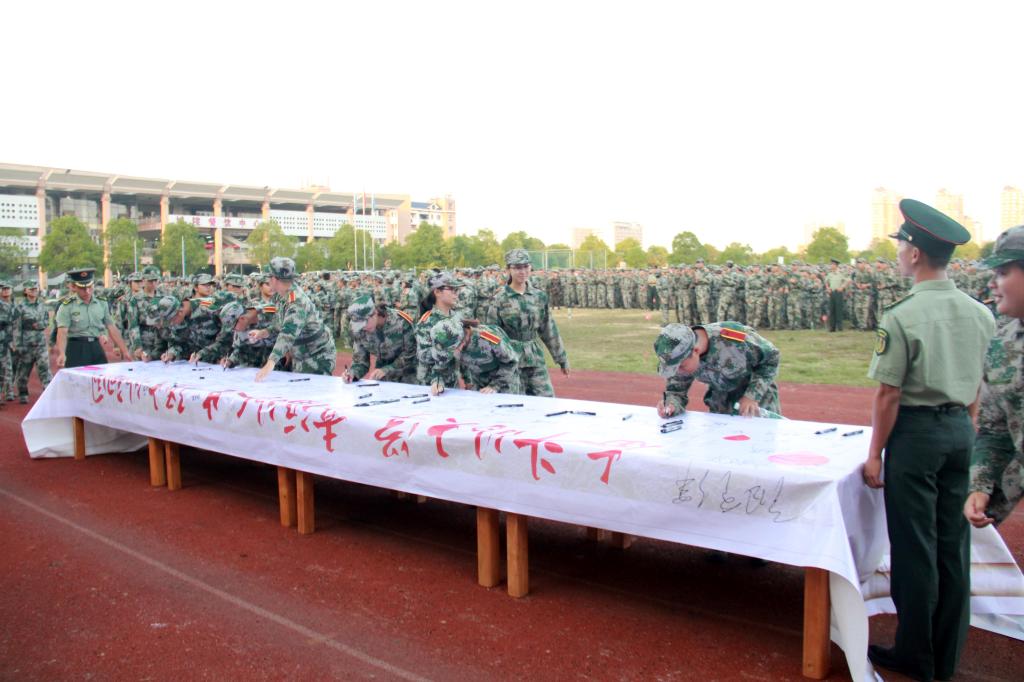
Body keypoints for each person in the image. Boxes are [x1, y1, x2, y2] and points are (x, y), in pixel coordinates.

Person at [861, 199, 995, 682]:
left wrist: (875, 454)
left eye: (902, 247)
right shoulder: (979, 313)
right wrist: (965, 425)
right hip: (960, 430)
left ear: (915, 253)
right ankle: (946, 655)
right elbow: (978, 383)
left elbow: (889, 394)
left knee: (916, 549)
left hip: (916, 436)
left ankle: (916, 655)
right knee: (952, 548)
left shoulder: (903, 314)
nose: (899, 254)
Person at [964, 225, 1024, 529]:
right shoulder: (1003, 343)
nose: (992, 283)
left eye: (1002, 272)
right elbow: (996, 429)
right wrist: (981, 487)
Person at [485, 248, 569, 397]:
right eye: (517, 267)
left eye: (526, 266)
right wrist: (495, 368)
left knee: (546, 400)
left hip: (534, 358)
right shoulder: (499, 299)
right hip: (510, 361)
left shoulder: (539, 297)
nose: (522, 271)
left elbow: (548, 329)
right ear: (508, 270)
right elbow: (490, 335)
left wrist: (561, 358)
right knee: (515, 403)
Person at [654, 322, 781, 418]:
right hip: (721, 404)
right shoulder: (679, 354)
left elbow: (771, 357)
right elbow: (676, 391)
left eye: (681, 367)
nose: (678, 372)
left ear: (696, 351)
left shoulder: (732, 339)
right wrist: (671, 405)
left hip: (756, 403)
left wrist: (752, 396)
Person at [253, 257, 335, 381]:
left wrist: (271, 362)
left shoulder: (296, 301)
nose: (268, 280)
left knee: (311, 390)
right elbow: (280, 324)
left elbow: (288, 332)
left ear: (275, 279)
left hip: (316, 355)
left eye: (269, 277)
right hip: (302, 352)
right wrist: (263, 332)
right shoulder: (282, 296)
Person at [54, 268, 131, 369]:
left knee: (101, 376)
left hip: (96, 346)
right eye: (82, 288)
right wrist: (62, 353)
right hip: (75, 348)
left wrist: (124, 350)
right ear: (74, 287)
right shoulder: (67, 306)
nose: (87, 291)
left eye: (89, 287)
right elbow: (62, 332)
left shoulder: (101, 303)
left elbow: (111, 327)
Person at [429, 316, 521, 394]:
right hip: (478, 382)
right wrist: (437, 382)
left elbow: (511, 362)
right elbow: (441, 366)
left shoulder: (489, 339)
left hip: (504, 381)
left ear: (462, 341)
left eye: (452, 350)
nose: (451, 354)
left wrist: (495, 386)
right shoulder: (448, 342)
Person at [342, 295, 417, 385]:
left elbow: (411, 355)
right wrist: (353, 373)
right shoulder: (359, 330)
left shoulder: (402, 322)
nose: (363, 328)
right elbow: (360, 361)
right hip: (382, 378)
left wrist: (387, 370)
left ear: (375, 313)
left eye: (364, 323)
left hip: (408, 377)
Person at [414, 272, 465, 385]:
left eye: (457, 290)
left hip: (455, 380)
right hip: (434, 383)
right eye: (452, 289)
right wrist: (450, 350)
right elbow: (423, 356)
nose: (456, 294)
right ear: (437, 292)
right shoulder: (427, 321)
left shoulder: (456, 316)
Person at [12, 280, 52, 403]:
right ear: (25, 291)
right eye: (31, 289)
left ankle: (49, 391)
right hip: (26, 344)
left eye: (35, 289)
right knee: (23, 371)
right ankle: (23, 393)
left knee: (45, 368)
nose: (34, 291)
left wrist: (39, 325)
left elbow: (46, 321)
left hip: (40, 343)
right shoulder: (20, 307)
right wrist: (17, 345)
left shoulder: (42, 305)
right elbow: (16, 327)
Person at [825, 258, 848, 332]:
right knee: (832, 309)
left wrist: (842, 287)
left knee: (839, 310)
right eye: (831, 264)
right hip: (832, 292)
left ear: (836, 265)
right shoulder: (830, 274)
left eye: (832, 264)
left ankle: (840, 326)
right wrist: (828, 288)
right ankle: (832, 327)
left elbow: (847, 281)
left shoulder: (841, 273)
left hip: (838, 292)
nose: (831, 266)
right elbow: (826, 282)